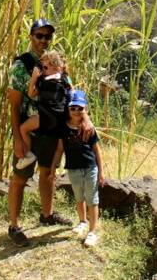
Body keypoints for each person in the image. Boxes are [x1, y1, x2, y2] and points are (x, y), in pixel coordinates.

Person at [5, 18, 93, 246]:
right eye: (39, 36)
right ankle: (14, 226)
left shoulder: (56, 63)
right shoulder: (21, 65)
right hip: (31, 128)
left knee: (48, 173)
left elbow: (72, 93)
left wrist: (86, 119)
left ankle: (47, 214)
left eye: (47, 36)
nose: (43, 40)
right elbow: (14, 105)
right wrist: (18, 138)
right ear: (31, 37)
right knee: (20, 177)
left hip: (53, 130)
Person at [54, 89, 104, 248]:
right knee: (79, 197)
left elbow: (97, 150)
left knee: (92, 199)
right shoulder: (64, 128)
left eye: (80, 108)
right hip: (73, 168)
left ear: (85, 109)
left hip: (90, 167)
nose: (76, 111)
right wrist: (53, 168)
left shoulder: (89, 128)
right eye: (73, 108)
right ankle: (82, 221)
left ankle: (92, 231)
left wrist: (101, 172)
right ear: (68, 109)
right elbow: (60, 149)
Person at [15, 50, 70, 169]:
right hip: (59, 121)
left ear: (56, 67)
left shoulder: (43, 82)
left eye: (45, 68)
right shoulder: (64, 80)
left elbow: (31, 94)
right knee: (59, 145)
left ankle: (29, 155)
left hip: (46, 117)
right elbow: (72, 94)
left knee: (23, 128)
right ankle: (55, 165)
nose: (43, 71)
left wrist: (34, 79)